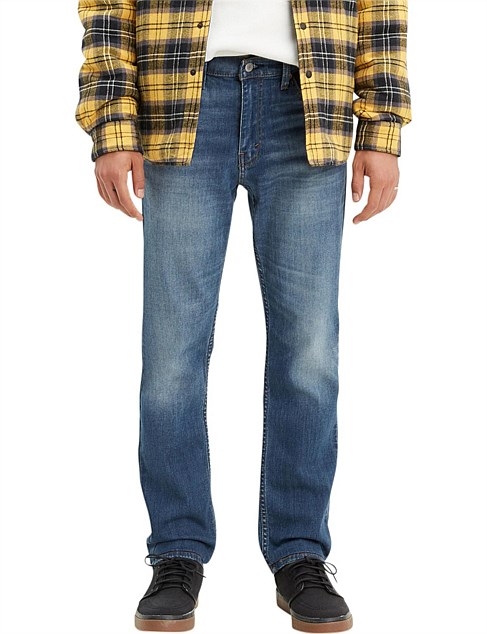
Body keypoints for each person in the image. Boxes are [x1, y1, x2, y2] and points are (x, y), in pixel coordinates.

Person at [75, 0, 412, 631]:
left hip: (310, 100)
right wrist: (112, 125)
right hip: (180, 95)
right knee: (172, 353)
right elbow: (107, 7)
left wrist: (382, 126)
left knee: (309, 354)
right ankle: (176, 551)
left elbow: (382, 7)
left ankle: (300, 553)